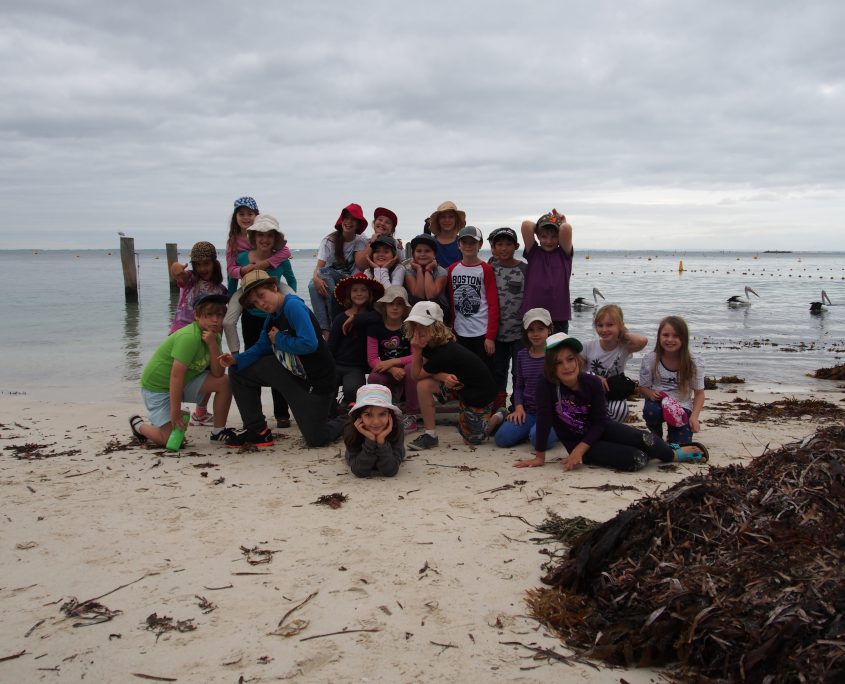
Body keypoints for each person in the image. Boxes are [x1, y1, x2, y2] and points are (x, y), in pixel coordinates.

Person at [514, 333, 709, 470]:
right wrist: (540, 457)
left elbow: (600, 422)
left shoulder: (591, 383)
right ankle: (657, 451)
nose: (566, 366)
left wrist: (579, 451)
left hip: (602, 429)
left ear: (578, 360)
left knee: (644, 438)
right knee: (637, 460)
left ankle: (673, 454)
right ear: (551, 367)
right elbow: (544, 419)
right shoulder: (546, 385)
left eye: (570, 359)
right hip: (577, 442)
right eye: (558, 362)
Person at [219, 271, 345, 448]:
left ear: (274, 287)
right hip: (292, 376)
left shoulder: (293, 306)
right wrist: (236, 359)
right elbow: (262, 347)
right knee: (238, 370)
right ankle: (258, 431)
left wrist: (279, 339)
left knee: (317, 439)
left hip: (317, 382)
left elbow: (310, 344)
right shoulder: (272, 318)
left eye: (261, 296)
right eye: (255, 302)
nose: (261, 303)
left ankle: (346, 420)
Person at [223, 215, 297, 428]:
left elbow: (290, 280)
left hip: (274, 317)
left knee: (280, 361)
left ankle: (282, 413)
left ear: (275, 239)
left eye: (269, 236)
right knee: (251, 362)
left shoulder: (280, 259)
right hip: (252, 317)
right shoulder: (244, 257)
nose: (265, 240)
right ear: (254, 237)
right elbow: (232, 280)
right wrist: (230, 300)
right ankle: (254, 413)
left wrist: (287, 306)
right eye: (261, 235)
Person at [130, 294, 234, 447]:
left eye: (219, 315)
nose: (215, 320)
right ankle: (138, 425)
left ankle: (218, 432)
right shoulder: (189, 337)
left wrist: (212, 345)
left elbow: (218, 374)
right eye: (209, 315)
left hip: (185, 382)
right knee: (171, 442)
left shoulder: (214, 335)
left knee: (224, 382)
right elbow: (176, 376)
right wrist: (175, 411)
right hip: (158, 389)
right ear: (197, 316)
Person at [404, 301, 496, 450]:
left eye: (424, 326)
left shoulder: (446, 351)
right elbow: (427, 373)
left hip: (479, 396)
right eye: (415, 325)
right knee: (423, 385)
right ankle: (430, 434)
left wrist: (416, 350)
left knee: (472, 440)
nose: (418, 330)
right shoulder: (429, 345)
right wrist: (443, 377)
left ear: (437, 327)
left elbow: (416, 374)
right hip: (459, 386)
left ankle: (498, 417)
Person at [169, 241, 228, 426]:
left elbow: (221, 318)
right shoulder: (189, 281)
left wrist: (219, 339)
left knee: (211, 369)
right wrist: (176, 267)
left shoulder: (221, 290)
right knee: (176, 373)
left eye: (206, 264)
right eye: (198, 264)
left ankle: (200, 413)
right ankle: (170, 409)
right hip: (182, 332)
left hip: (207, 336)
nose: (202, 268)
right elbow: (176, 270)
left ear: (214, 263)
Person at [488, 308, 559, 451]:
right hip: (529, 411)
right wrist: (519, 408)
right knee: (502, 439)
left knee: (539, 441)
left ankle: (540, 430)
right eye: (531, 330)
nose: (536, 333)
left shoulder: (556, 356)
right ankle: (505, 415)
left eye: (541, 329)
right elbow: (519, 386)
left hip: (551, 413)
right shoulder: (522, 355)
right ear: (526, 332)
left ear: (549, 330)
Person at [638, 316, 705, 444]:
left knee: (678, 445)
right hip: (657, 402)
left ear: (684, 338)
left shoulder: (694, 362)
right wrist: (650, 394)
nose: (670, 340)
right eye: (665, 335)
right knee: (651, 412)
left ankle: (673, 436)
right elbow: (643, 387)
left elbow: (699, 394)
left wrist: (694, 417)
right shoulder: (650, 359)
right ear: (659, 337)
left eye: (676, 336)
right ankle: (656, 434)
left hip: (681, 404)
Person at [308, 203, 369, 338]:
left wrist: (398, 245)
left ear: (358, 224)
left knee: (323, 274)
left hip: (349, 281)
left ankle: (334, 320)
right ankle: (325, 330)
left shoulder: (361, 240)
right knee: (313, 285)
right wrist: (316, 279)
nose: (349, 222)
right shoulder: (329, 241)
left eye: (353, 219)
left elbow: (373, 249)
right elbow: (319, 268)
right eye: (346, 218)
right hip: (331, 279)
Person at [581, 304, 648, 422]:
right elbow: (578, 371)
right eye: (600, 325)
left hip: (614, 392)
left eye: (610, 325)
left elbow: (642, 341)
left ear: (620, 325)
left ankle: (610, 428)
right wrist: (595, 378)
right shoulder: (588, 346)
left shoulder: (624, 347)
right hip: (591, 392)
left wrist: (622, 333)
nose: (604, 329)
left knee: (620, 411)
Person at [366, 285, 419, 432]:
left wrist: (394, 362)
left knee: (410, 369)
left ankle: (411, 415)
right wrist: (391, 368)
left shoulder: (410, 327)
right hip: (388, 371)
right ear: (384, 307)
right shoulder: (374, 327)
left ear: (405, 309)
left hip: (406, 370)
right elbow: (372, 359)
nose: (395, 308)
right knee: (374, 377)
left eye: (399, 304)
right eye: (391, 304)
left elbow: (416, 356)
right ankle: (385, 412)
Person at [328, 273, 384, 410]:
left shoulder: (374, 316)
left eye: (363, 290)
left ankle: (347, 401)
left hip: (355, 367)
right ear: (349, 295)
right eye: (355, 290)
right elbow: (331, 346)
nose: (359, 294)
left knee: (353, 390)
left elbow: (380, 317)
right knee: (326, 386)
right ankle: (331, 409)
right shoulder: (340, 318)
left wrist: (356, 319)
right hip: (337, 363)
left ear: (370, 294)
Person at [487, 227, 527, 412]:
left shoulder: (524, 269)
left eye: (508, 244)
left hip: (519, 333)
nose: (504, 248)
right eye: (499, 244)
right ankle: (498, 407)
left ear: (516, 246)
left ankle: (517, 406)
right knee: (498, 371)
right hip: (496, 334)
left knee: (519, 373)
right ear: (493, 247)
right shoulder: (490, 268)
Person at [447, 225, 499, 369]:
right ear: (458, 244)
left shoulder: (486, 269)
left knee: (483, 371)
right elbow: (452, 302)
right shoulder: (452, 269)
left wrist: (490, 337)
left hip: (481, 332)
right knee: (462, 372)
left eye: (473, 242)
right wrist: (452, 329)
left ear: (480, 245)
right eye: (465, 242)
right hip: (460, 331)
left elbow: (493, 304)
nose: (468, 246)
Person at [224, 197, 292, 296]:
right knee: (233, 304)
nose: (245, 217)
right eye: (241, 214)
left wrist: (265, 263)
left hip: (270, 279)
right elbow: (231, 269)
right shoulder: (232, 241)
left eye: (250, 214)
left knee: (290, 298)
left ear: (256, 216)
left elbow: (286, 252)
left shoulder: (263, 237)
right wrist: (244, 270)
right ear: (235, 217)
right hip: (247, 280)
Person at [520, 209, 573, 333]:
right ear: (537, 235)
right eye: (543, 236)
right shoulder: (533, 252)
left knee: (558, 352)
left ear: (559, 237)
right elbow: (526, 225)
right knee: (533, 351)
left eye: (554, 236)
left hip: (558, 315)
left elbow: (566, 229)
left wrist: (562, 221)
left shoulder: (564, 254)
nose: (548, 241)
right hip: (532, 314)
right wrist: (542, 225)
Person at [343, 384, 406, 478]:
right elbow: (359, 471)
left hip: (391, 454)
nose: (376, 422)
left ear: (390, 415)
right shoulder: (351, 429)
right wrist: (370, 440)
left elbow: (390, 471)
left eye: (382, 414)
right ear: (359, 416)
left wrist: (381, 441)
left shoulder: (397, 427)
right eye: (368, 415)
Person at [404, 233, 449, 316]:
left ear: (434, 254)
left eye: (427, 251)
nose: (422, 254)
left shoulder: (441, 272)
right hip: (416, 314)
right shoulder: (409, 271)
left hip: (438, 314)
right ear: (413, 254)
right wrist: (419, 270)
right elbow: (418, 295)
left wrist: (428, 269)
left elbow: (431, 296)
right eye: (419, 251)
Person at [354, 207, 403, 272]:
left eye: (387, 222)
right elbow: (361, 266)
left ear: (392, 229)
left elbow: (399, 264)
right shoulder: (362, 241)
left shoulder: (396, 243)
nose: (382, 223)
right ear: (374, 223)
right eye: (380, 220)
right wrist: (372, 242)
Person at [428, 201, 466, 268]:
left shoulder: (463, 242)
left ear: (456, 220)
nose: (447, 220)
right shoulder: (430, 242)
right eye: (443, 217)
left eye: (451, 217)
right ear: (438, 220)